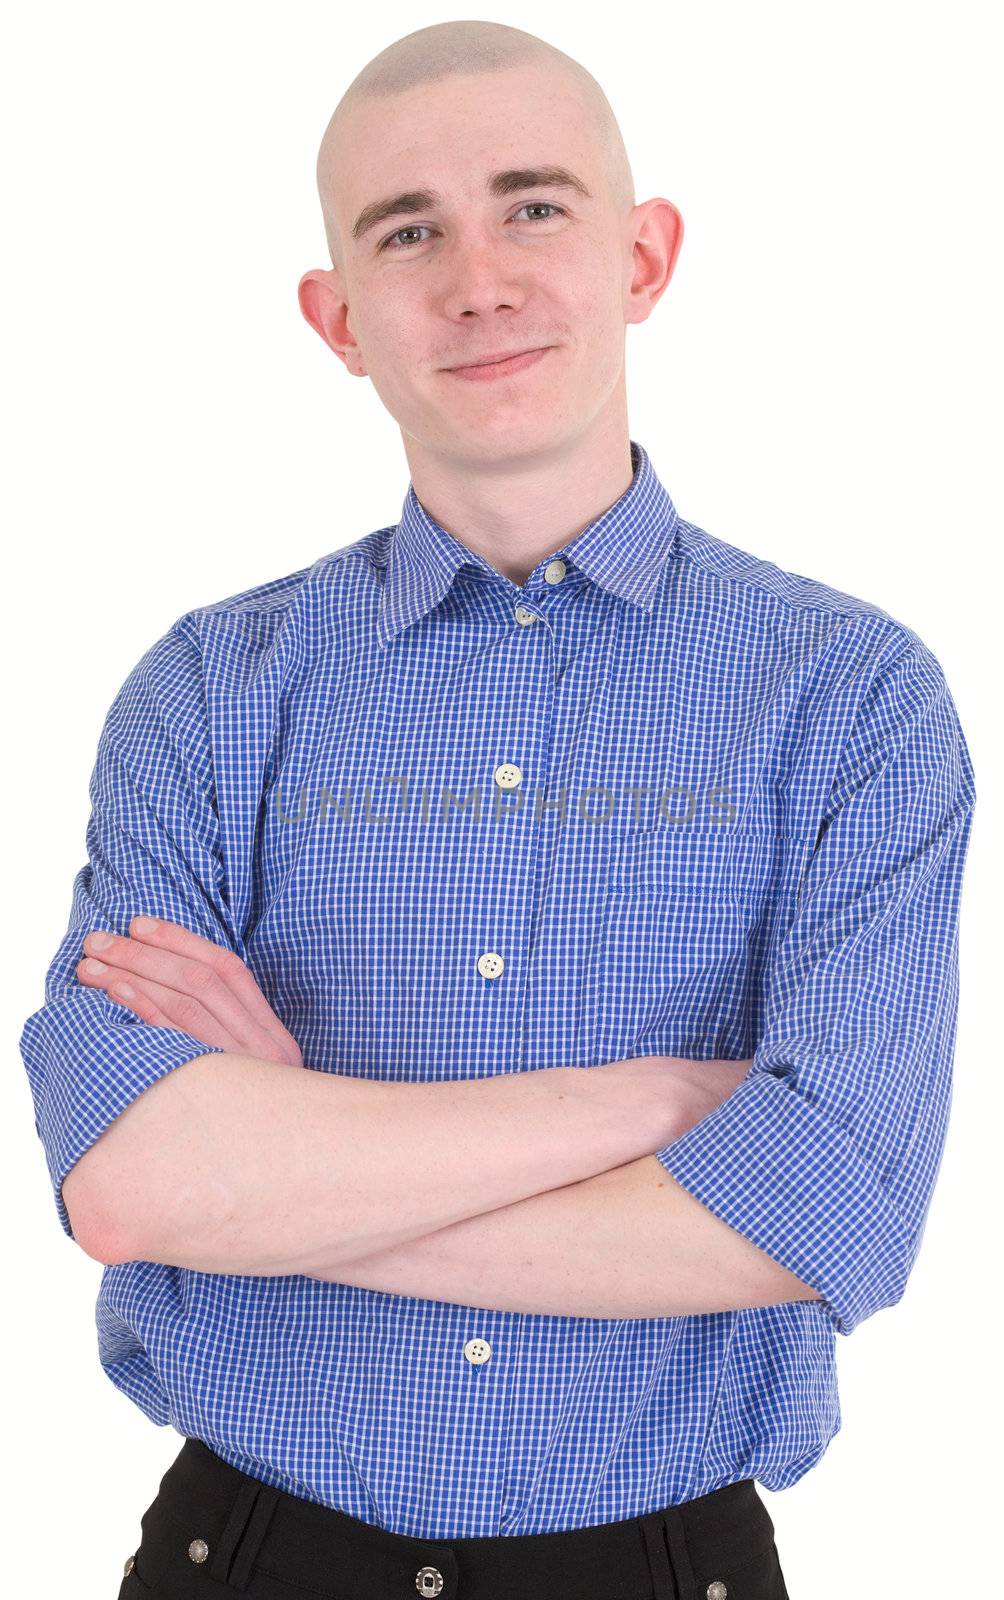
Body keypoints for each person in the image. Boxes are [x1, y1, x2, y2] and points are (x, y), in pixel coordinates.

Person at [20, 20, 975, 1600]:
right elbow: (129, 1179)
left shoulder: (852, 697)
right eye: (410, 232)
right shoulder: (205, 689)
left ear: (644, 255)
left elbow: (823, 1215)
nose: (478, 280)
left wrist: (277, 1176)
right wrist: (669, 1101)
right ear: (336, 317)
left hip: (664, 1565)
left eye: (533, 204)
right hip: (247, 1554)